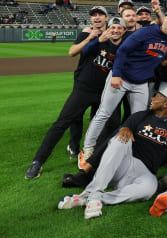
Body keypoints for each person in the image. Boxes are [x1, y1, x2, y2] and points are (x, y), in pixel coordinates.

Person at [79, 9, 167, 167]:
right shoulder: (146, 32)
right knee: (104, 113)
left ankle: (129, 151)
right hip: (122, 77)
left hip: (141, 83)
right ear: (163, 18)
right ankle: (87, 149)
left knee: (138, 119)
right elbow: (123, 50)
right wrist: (116, 74)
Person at [57, 86, 167, 219]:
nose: (152, 98)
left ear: (166, 103)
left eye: (157, 96)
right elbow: (116, 136)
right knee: (121, 138)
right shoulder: (140, 116)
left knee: (149, 188)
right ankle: (94, 192)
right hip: (123, 163)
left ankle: (90, 199)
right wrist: (125, 128)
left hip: (145, 172)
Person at [25, 17, 124, 179]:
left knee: (110, 126)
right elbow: (83, 52)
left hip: (105, 94)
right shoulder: (98, 41)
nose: (115, 31)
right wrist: (97, 39)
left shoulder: (124, 48)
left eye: (119, 28)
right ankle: (37, 162)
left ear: (124, 31)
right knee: (61, 123)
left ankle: (93, 162)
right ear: (108, 28)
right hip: (84, 89)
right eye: (113, 27)